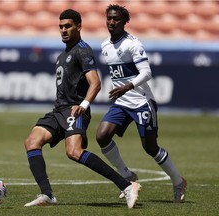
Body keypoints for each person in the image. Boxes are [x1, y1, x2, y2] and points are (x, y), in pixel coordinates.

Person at [23, 9, 141, 209]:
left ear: (79, 26)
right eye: (60, 26)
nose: (63, 30)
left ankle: (127, 185)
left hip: (74, 109)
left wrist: (84, 105)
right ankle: (47, 194)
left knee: (74, 152)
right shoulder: (63, 55)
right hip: (58, 110)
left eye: (68, 26)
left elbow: (95, 83)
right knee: (32, 142)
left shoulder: (82, 50)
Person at [96, 4, 187, 203]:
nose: (111, 22)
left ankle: (178, 181)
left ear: (124, 21)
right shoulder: (105, 46)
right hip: (122, 103)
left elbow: (146, 73)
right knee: (102, 136)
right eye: (109, 18)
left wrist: (127, 86)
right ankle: (127, 176)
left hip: (141, 103)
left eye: (116, 19)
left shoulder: (133, 44)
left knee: (150, 147)